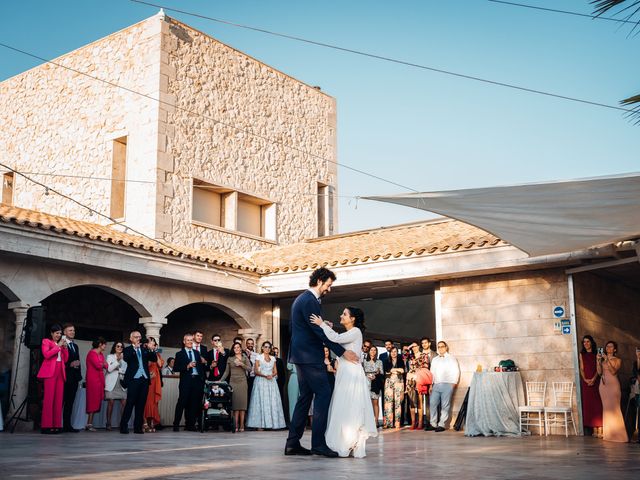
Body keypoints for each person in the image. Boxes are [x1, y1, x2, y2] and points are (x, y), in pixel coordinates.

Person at [284, 267, 359, 458]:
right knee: (324, 393)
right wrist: (342, 352)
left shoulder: (302, 299)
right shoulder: (309, 300)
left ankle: (292, 444)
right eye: (328, 285)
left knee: (305, 398)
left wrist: (324, 325)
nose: (329, 289)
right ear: (319, 281)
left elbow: (300, 328)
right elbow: (317, 332)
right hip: (309, 357)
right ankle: (318, 444)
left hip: (300, 356)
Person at [311, 306, 378, 458]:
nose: (341, 315)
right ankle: (346, 441)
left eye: (344, 314)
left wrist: (321, 324)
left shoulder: (356, 332)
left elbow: (336, 339)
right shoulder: (349, 333)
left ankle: (349, 442)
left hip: (351, 374)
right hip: (344, 373)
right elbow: (335, 341)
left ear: (352, 318)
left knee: (350, 406)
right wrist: (328, 328)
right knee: (344, 406)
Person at [120, 330, 157, 434]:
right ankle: (123, 426)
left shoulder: (144, 349)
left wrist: (151, 349)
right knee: (130, 403)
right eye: (136, 337)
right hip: (133, 380)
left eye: (139, 337)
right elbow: (126, 358)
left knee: (141, 405)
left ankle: (138, 428)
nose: (138, 339)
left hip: (144, 380)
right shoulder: (128, 349)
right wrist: (135, 348)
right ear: (131, 339)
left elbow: (154, 359)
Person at [247, 341, 286, 430]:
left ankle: (272, 424)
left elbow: (275, 371)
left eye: (269, 347)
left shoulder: (273, 358)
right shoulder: (258, 357)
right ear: (262, 348)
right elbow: (256, 371)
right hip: (261, 381)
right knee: (261, 401)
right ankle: (260, 424)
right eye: (265, 347)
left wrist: (271, 375)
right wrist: (265, 376)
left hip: (271, 382)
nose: (267, 348)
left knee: (272, 401)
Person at [37, 323, 68, 434]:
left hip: (60, 371)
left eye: (60, 333)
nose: (58, 335)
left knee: (59, 399)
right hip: (51, 371)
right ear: (51, 333)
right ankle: (46, 425)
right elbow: (46, 354)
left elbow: (65, 359)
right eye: (56, 333)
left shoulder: (60, 343)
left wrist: (64, 348)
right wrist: (58, 346)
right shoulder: (46, 341)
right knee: (49, 398)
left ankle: (57, 425)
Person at [173, 333, 206, 432]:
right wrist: (187, 366)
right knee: (182, 402)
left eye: (191, 340)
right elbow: (175, 368)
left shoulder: (196, 353)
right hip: (186, 381)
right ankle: (176, 424)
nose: (190, 342)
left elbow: (201, 367)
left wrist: (202, 379)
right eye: (188, 340)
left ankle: (190, 425)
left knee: (194, 404)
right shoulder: (179, 354)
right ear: (184, 342)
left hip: (197, 381)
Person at [597, 340, 628, 442]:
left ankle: (620, 437)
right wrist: (598, 361)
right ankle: (609, 435)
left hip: (613, 385)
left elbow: (613, 371)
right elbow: (599, 372)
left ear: (614, 349)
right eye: (607, 346)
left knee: (615, 409)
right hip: (603, 386)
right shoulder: (602, 360)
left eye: (611, 347)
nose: (608, 348)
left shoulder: (617, 360)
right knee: (606, 410)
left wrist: (607, 360)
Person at [220, 342, 252, 432]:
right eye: (235, 348)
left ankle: (242, 425)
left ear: (241, 348)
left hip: (243, 382)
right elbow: (226, 372)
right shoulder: (230, 358)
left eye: (238, 347)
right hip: (233, 382)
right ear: (233, 349)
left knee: (242, 406)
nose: (237, 349)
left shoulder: (245, 358)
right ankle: (235, 425)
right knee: (235, 406)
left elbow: (250, 369)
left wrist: (242, 364)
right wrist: (220, 380)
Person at [429, 341, 460, 432]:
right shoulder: (435, 359)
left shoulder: (452, 358)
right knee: (432, 403)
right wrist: (431, 384)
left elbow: (456, 371)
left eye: (442, 346)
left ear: (446, 347)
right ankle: (433, 423)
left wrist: (453, 384)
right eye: (439, 347)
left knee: (445, 405)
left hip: (447, 384)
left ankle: (442, 424)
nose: (440, 348)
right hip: (436, 384)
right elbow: (432, 372)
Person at [579, 335, 602, 437]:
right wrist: (585, 379)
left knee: (597, 404)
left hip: (595, 381)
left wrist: (593, 379)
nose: (586, 343)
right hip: (586, 382)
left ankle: (599, 427)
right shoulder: (581, 354)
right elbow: (581, 368)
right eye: (584, 342)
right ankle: (592, 429)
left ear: (592, 342)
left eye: (588, 341)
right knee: (588, 405)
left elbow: (599, 368)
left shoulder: (597, 353)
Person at [62, 324, 81, 433]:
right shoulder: (63, 345)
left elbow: (77, 361)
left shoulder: (75, 346)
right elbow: (61, 361)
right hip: (65, 377)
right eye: (70, 330)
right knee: (62, 402)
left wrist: (78, 377)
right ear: (64, 332)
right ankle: (56, 424)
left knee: (70, 403)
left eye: (73, 330)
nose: (73, 332)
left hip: (74, 378)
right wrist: (70, 364)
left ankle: (67, 425)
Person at [85, 337, 108, 431]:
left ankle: (90, 423)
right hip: (92, 379)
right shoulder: (92, 353)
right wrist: (102, 363)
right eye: (104, 344)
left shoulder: (101, 354)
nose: (105, 346)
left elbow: (106, 365)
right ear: (100, 344)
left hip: (99, 379)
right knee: (92, 400)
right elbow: (98, 365)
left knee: (97, 400)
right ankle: (89, 424)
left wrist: (102, 363)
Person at [105, 341, 127, 431]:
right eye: (118, 346)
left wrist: (117, 368)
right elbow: (109, 369)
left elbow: (126, 370)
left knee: (124, 403)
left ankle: (122, 423)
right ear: (114, 347)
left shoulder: (125, 358)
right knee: (111, 403)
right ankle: (108, 422)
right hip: (111, 383)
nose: (120, 348)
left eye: (121, 347)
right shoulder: (110, 357)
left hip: (121, 382)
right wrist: (117, 361)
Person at [143, 337, 164, 433]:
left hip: (156, 379)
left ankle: (152, 422)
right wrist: (150, 352)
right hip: (148, 379)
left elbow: (160, 364)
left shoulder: (156, 354)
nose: (153, 345)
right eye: (151, 343)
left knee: (154, 403)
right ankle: (144, 423)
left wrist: (155, 352)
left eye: (154, 343)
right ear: (146, 344)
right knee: (146, 402)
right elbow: (145, 364)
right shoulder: (145, 353)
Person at [383, 346, 405, 429]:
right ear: (390, 352)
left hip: (399, 383)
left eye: (395, 351)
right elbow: (387, 370)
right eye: (392, 351)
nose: (393, 353)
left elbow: (402, 371)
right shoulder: (386, 361)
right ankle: (389, 423)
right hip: (389, 383)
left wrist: (393, 370)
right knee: (388, 403)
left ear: (397, 352)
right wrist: (397, 370)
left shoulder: (401, 361)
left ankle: (397, 422)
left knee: (398, 403)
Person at [363, 345, 384, 427]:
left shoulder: (379, 361)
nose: (373, 352)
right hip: (366, 382)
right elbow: (362, 371)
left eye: (375, 350)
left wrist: (376, 375)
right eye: (371, 350)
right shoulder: (364, 361)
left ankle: (376, 421)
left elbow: (381, 372)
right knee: (366, 403)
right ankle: (368, 421)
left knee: (375, 402)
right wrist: (367, 376)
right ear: (369, 351)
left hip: (375, 382)